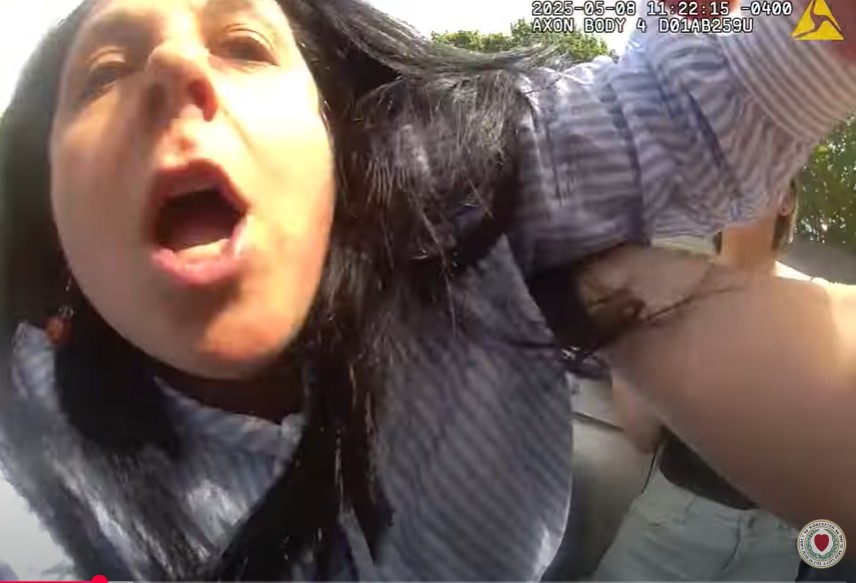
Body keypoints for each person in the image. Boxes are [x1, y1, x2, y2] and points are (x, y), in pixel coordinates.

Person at [0, 0, 855, 580]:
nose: (176, 67)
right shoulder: (27, 412)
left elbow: (716, 101)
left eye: (246, 46)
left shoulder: (452, 192)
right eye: (102, 74)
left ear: (334, 141)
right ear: (55, 214)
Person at [591, 184, 802, 581]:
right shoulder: (673, 293)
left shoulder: (816, 306)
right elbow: (642, 434)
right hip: (675, 527)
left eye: (763, 167)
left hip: (779, 541)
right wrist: (630, 345)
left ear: (787, 199)